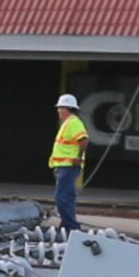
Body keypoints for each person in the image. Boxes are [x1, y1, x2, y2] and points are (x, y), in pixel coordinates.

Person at [48, 94, 90, 229]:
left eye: (60, 108)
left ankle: (72, 226)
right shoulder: (68, 123)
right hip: (63, 166)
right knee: (67, 197)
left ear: (67, 108)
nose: (58, 110)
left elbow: (84, 140)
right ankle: (66, 226)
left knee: (62, 198)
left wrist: (78, 157)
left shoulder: (73, 123)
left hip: (69, 166)